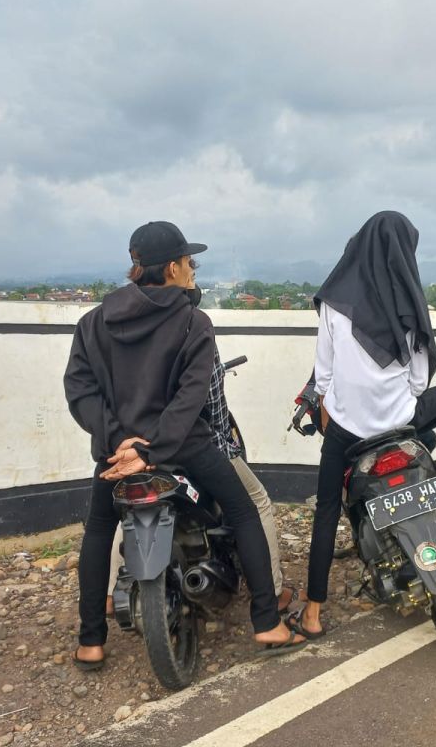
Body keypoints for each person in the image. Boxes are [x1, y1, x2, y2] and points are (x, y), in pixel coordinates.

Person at [65, 221, 305, 668]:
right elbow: (192, 395)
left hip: (117, 455)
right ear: (173, 267)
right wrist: (151, 448)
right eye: (190, 262)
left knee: (99, 530)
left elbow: (79, 389)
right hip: (185, 446)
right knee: (244, 510)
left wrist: (122, 443)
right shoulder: (193, 322)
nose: (193, 269)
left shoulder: (92, 322)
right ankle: (267, 621)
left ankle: (90, 641)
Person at [295, 210, 436, 640]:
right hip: (402, 421)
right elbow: (418, 381)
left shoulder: (335, 305)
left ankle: (314, 613)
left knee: (325, 511)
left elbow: (322, 377)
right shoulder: (408, 303)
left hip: (348, 432)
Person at [104, 348, 297, 615]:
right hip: (196, 446)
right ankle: (271, 594)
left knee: (130, 504)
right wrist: (225, 442)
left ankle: (111, 592)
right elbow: (214, 404)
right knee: (256, 500)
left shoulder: (132, 334)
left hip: (139, 448)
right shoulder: (195, 328)